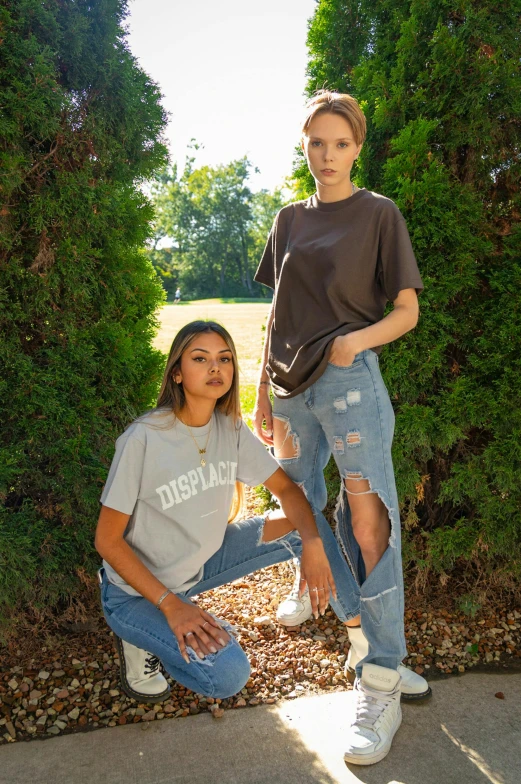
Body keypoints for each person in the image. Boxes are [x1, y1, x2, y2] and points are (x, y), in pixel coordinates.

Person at [253, 90, 429, 765]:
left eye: (339, 143)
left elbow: (406, 310)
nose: (326, 156)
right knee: (298, 505)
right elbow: (276, 307)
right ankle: (341, 611)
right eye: (315, 142)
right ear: (304, 145)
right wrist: (263, 396)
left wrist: (355, 343)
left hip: (349, 385)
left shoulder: (377, 214)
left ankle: (381, 676)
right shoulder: (287, 219)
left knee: (366, 523)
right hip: (287, 390)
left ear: (357, 148)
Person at [95, 320, 364, 716]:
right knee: (228, 676)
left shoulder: (230, 428)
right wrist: (172, 605)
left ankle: (362, 643)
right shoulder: (144, 438)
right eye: (200, 359)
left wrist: (311, 545)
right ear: (177, 373)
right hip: (134, 593)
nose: (215, 368)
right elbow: (107, 540)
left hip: (201, 566)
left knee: (305, 524)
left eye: (224, 359)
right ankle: (142, 637)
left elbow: (288, 491)